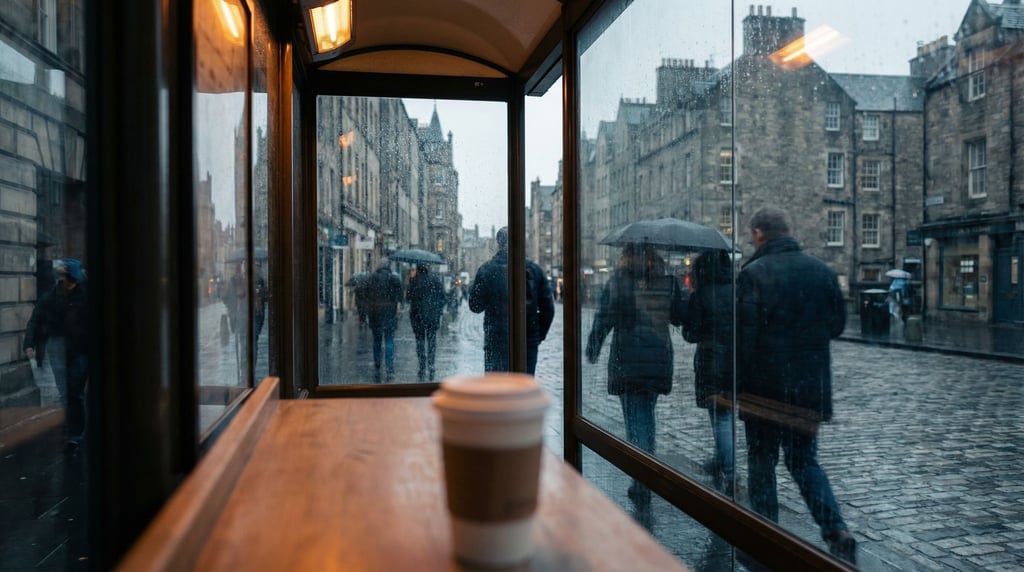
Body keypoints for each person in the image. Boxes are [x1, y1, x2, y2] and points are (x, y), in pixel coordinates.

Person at [736, 207, 857, 564]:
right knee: (804, 461)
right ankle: (837, 529)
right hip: (809, 386)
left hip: (765, 388)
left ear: (759, 233)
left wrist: (736, 385)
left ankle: (764, 536)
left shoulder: (754, 273)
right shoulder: (821, 271)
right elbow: (836, 325)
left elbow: (745, 338)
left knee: (762, 462)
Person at [585, 244, 687, 515]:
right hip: (658, 357)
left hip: (627, 358)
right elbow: (681, 316)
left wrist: (593, 346)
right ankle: (644, 472)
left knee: (635, 418)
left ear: (626, 257)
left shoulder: (619, 281)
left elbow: (603, 317)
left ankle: (642, 479)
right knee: (646, 416)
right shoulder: (669, 282)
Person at [682, 249, 735, 495]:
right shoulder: (738, 291)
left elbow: (690, 334)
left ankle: (731, 471)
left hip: (711, 360)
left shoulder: (702, 294)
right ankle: (719, 459)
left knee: (720, 416)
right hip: (736, 359)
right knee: (725, 413)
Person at [469, 226, 555, 374]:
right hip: (526, 339)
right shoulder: (534, 269)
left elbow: (475, 306)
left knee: (495, 390)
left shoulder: (486, 270)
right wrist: (537, 335)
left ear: (498, 242)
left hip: (496, 339)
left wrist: (478, 287)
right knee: (523, 389)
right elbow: (548, 309)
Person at [24, 258, 89, 451]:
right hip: (58, 349)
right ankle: (72, 425)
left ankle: (75, 434)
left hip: (81, 350)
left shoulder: (86, 295)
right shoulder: (51, 296)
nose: (70, 284)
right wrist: (29, 343)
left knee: (74, 391)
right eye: (68, 280)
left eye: (73, 281)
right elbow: (35, 319)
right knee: (65, 392)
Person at [406, 263, 446, 380]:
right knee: (432, 340)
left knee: (420, 341)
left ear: (418, 269)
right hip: (432, 316)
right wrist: (438, 310)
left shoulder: (415, 281)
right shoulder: (436, 280)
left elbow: (408, 298)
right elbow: (443, 297)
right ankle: (431, 364)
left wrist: (411, 284)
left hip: (417, 315)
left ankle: (422, 364)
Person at [365, 260, 403, 380]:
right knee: (389, 340)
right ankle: (390, 367)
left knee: (377, 340)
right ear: (389, 268)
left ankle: (377, 364)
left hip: (375, 313)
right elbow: (400, 297)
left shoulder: (372, 278)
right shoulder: (394, 279)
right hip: (390, 313)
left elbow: (366, 295)